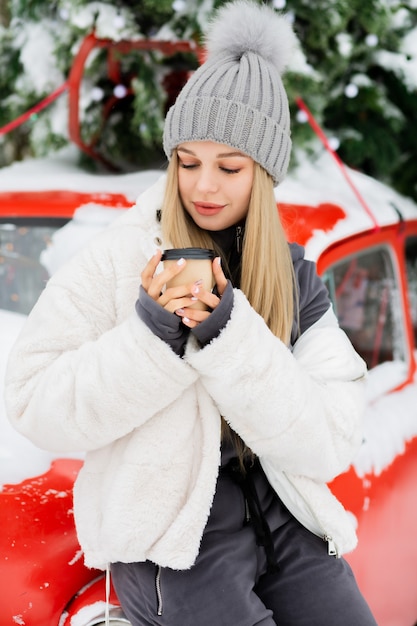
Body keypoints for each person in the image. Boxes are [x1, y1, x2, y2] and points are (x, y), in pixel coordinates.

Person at [5, 1, 378, 625]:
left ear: (263, 174)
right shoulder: (120, 260)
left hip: (286, 519)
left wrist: (229, 332)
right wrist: (152, 339)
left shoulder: (290, 275)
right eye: (187, 161)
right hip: (175, 545)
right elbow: (31, 400)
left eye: (229, 167)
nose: (203, 186)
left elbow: (330, 441)